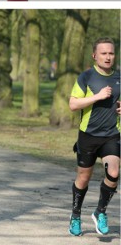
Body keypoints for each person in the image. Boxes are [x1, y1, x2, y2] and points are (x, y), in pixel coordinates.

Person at [67, 38, 120, 237]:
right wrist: (97, 96)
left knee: (113, 173)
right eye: (104, 53)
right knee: (83, 178)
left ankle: (101, 212)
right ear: (94, 55)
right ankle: (75, 215)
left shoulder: (119, 77)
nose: (108, 57)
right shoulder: (86, 76)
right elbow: (73, 104)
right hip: (88, 135)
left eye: (111, 53)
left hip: (112, 135)